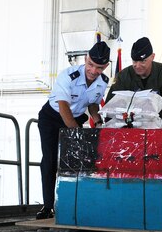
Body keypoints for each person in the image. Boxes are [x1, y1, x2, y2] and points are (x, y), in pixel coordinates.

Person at [36, 41, 111, 219]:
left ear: (106, 66)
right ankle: (48, 207)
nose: (93, 71)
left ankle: (73, 205)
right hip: (52, 117)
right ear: (86, 59)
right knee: (50, 159)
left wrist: (98, 121)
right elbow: (63, 106)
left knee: (74, 162)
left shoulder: (102, 83)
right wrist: (76, 133)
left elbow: (92, 103)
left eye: (99, 68)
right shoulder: (68, 76)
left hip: (75, 117)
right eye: (90, 64)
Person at [105, 36, 162, 129]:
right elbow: (111, 108)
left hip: (158, 130)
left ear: (152, 57)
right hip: (128, 131)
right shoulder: (123, 76)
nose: (137, 65)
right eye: (134, 61)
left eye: (142, 61)